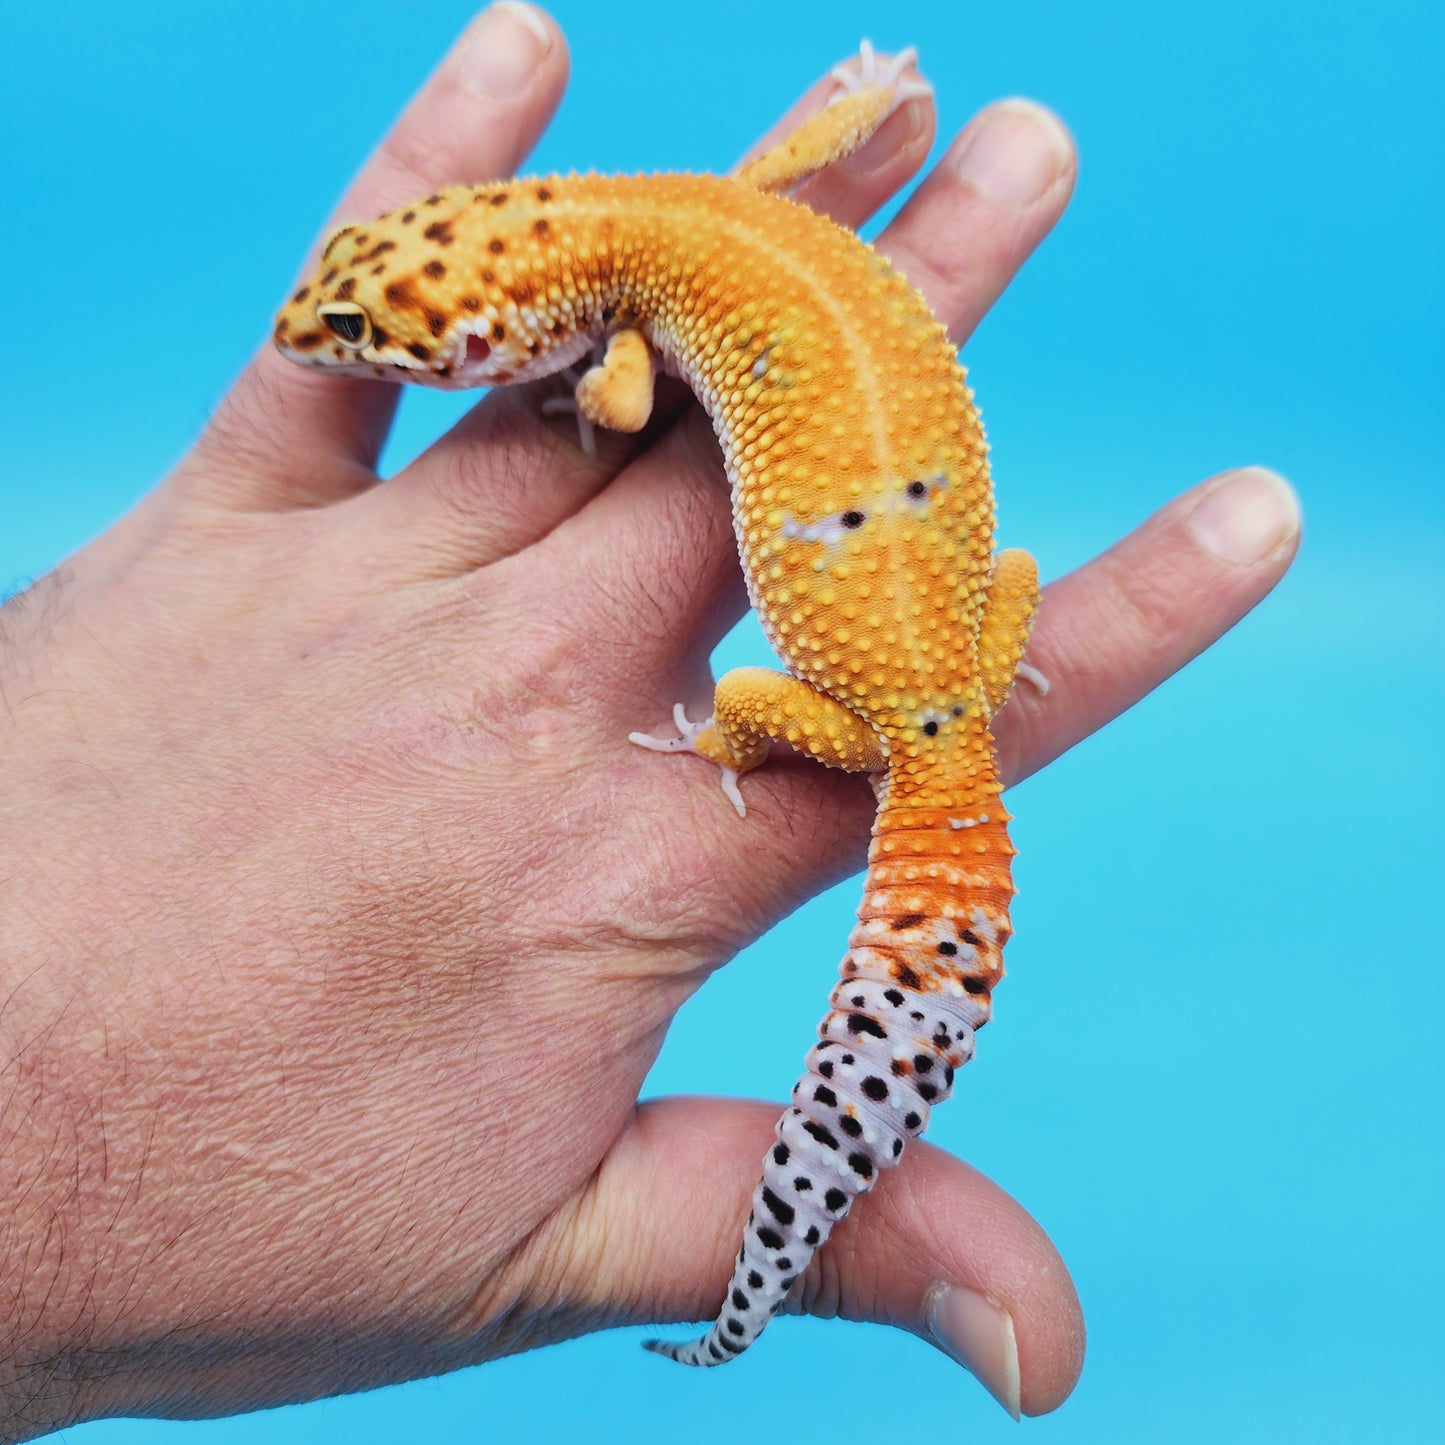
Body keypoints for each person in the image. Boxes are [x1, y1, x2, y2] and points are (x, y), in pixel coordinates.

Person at [0, 4, 1299, 1436]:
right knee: (976, 613)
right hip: (973, 642)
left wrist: (719, 732)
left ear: (515, 317)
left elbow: (617, 398)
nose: (331, 344)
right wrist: (865, 102)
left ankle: (732, 770)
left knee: (742, 705)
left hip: (866, 719)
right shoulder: (695, 211)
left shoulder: (610, 345)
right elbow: (806, 157)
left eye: (373, 333)